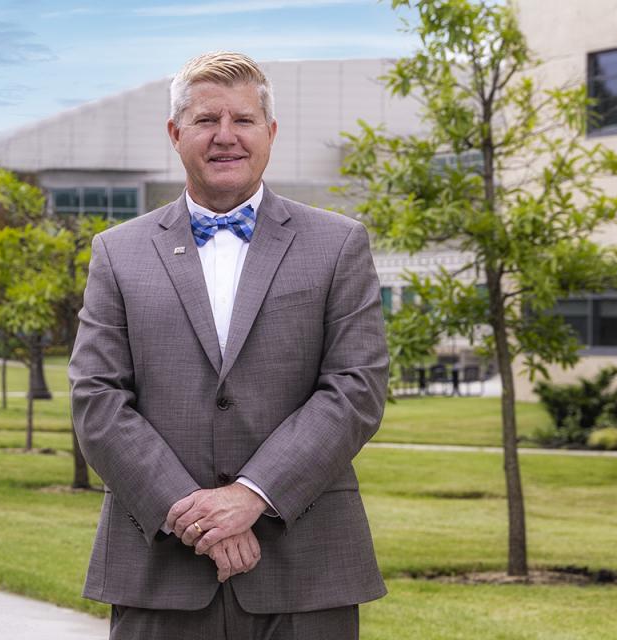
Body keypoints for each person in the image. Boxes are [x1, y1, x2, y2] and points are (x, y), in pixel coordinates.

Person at [69, 51, 388, 640]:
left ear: (270, 133)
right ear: (175, 133)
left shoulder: (338, 244)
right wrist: (194, 515)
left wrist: (250, 496)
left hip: (307, 568)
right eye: (205, 120)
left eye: (242, 120)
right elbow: (97, 398)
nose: (225, 137)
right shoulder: (117, 252)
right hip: (159, 568)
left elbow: (355, 388)